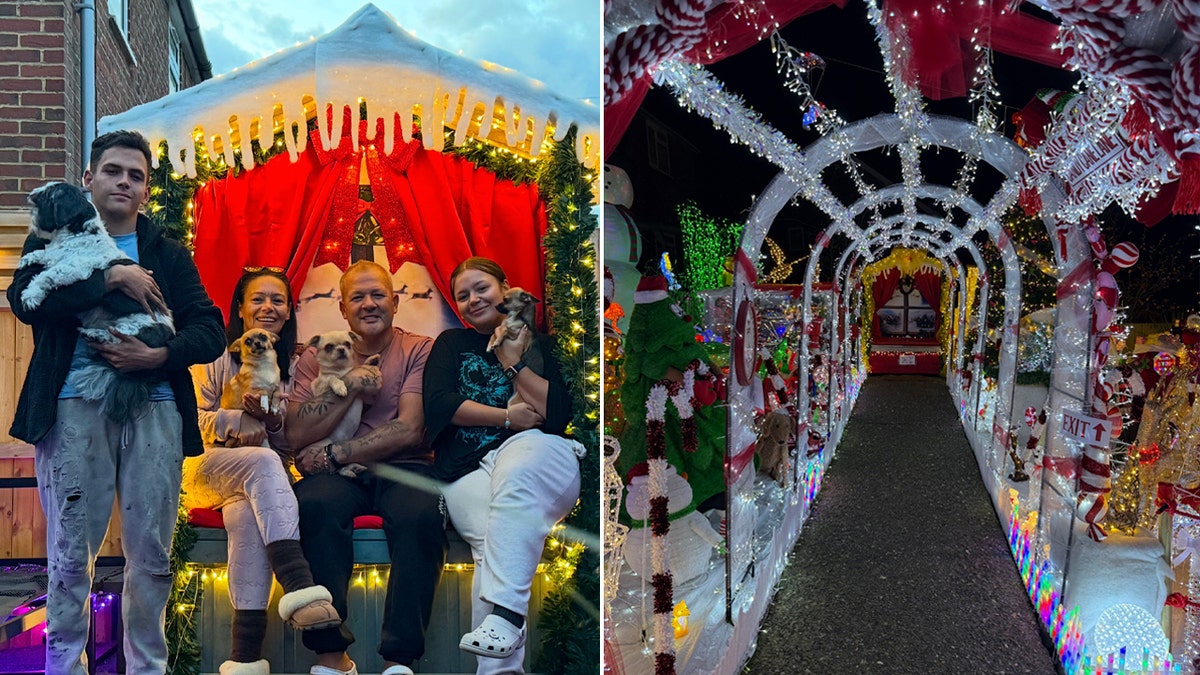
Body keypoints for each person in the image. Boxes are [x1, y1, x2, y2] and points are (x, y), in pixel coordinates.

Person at [6, 130, 226, 674]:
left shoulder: (168, 253)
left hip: (155, 408)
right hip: (72, 406)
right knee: (69, 554)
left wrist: (159, 358)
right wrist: (110, 276)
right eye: (113, 171)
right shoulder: (52, 236)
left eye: (136, 175)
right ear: (89, 178)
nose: (124, 181)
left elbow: (211, 329)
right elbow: (25, 302)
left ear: (146, 190)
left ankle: (147, 668)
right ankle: (64, 666)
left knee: (150, 556)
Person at [423, 257, 584, 674]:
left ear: (504, 288)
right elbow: (439, 405)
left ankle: (505, 628)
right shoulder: (451, 345)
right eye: (462, 295)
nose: (473, 299)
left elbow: (555, 414)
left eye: (482, 288)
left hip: (531, 454)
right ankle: (501, 668)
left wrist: (512, 362)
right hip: (465, 469)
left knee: (516, 473)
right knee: (491, 549)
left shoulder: (542, 346)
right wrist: (507, 417)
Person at [285, 260, 445, 675]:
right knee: (312, 506)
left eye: (378, 295)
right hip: (336, 478)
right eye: (357, 296)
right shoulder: (313, 355)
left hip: (403, 465)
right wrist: (351, 383)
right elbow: (297, 433)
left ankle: (399, 660)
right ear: (342, 308)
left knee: (422, 516)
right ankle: (331, 658)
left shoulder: (419, 349)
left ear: (394, 301)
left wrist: (339, 454)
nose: (369, 303)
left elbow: (409, 428)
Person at [185, 267, 341, 675]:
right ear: (240, 308)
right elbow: (189, 422)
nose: (267, 307)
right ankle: (301, 587)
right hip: (206, 467)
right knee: (265, 462)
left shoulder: (300, 362)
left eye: (277, 300)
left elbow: (295, 438)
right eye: (257, 299)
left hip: (261, 480)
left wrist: (272, 424)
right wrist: (237, 420)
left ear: (290, 311)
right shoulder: (213, 353)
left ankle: (245, 658)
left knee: (246, 517)